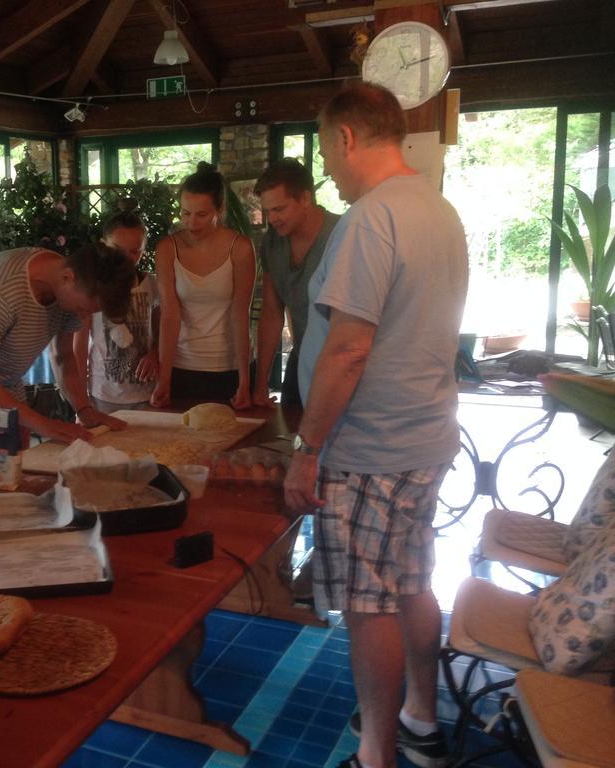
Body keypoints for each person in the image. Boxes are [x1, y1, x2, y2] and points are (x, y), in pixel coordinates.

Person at [283, 83, 468, 768]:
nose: (327, 167)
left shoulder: (372, 217)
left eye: (327, 150)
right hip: (425, 436)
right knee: (412, 580)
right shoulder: (437, 208)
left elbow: (349, 347)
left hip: (372, 449)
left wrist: (308, 449)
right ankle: (420, 717)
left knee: (369, 606)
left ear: (347, 139)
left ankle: (376, 754)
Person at [0, 243, 136, 493]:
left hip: (6, 387)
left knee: (6, 482)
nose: (85, 316)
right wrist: (41, 423)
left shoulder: (70, 286)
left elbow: (63, 356)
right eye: (85, 309)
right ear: (68, 278)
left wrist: (84, 408)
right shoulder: (2, 289)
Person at [151, 161, 255, 409]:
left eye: (201, 215)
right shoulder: (167, 248)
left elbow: (240, 314)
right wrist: (164, 379)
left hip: (228, 366)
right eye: (185, 213)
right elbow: (170, 315)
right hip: (182, 366)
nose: (191, 223)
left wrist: (245, 380)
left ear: (220, 209)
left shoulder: (240, 248)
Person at [252, 159, 341, 408]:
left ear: (305, 198)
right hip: (301, 358)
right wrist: (261, 386)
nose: (272, 219)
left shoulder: (344, 234)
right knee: (291, 438)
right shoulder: (272, 242)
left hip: (341, 363)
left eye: (279, 209)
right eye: (268, 211)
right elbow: (271, 314)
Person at [73, 202, 160, 414]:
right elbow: (80, 342)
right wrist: (79, 396)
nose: (125, 258)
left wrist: (156, 353)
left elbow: (161, 330)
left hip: (147, 393)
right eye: (117, 250)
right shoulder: (90, 287)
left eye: (135, 251)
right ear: (103, 245)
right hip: (103, 394)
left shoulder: (153, 285)